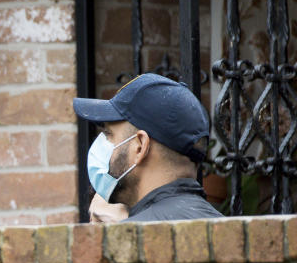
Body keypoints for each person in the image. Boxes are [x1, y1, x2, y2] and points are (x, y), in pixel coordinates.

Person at [73, 73, 224, 222]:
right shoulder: (232, 229)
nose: (101, 143)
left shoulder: (129, 239)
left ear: (140, 146)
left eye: (108, 134)